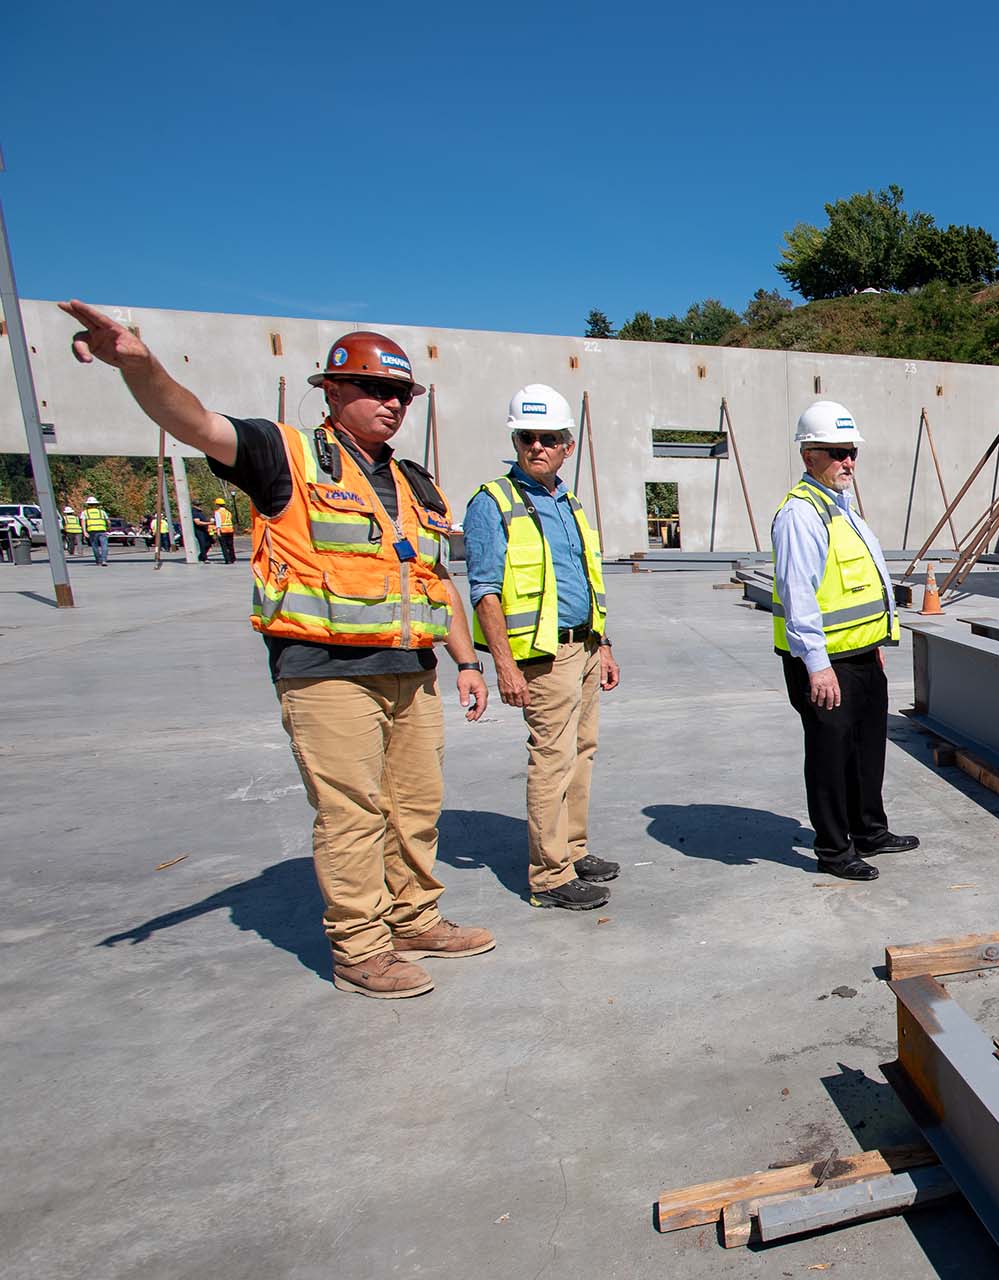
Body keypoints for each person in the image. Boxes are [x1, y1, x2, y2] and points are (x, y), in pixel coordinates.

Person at [61, 301, 495, 1001]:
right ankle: (361, 948)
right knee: (352, 812)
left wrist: (467, 661)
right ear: (332, 390)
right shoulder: (285, 456)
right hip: (324, 672)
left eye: (400, 394)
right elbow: (193, 422)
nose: (390, 404)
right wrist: (142, 368)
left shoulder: (414, 480)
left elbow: (433, 578)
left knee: (415, 807)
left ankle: (415, 920)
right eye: (374, 389)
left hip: (411, 671)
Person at [465, 385, 622, 911]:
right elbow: (484, 590)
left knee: (582, 753)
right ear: (516, 440)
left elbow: (586, 579)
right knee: (551, 761)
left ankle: (572, 850)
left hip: (583, 648)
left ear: (566, 446)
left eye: (548, 438)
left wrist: (604, 645)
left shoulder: (568, 503)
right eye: (527, 437)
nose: (537, 446)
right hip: (542, 656)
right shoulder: (494, 503)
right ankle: (549, 877)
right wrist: (504, 666)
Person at [770, 401, 918, 881]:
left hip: (861, 654)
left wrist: (876, 641)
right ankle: (834, 849)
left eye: (851, 451)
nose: (847, 461)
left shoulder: (842, 509)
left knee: (867, 747)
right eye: (836, 452)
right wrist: (816, 664)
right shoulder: (802, 514)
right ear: (808, 455)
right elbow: (799, 597)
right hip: (826, 661)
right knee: (831, 755)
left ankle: (869, 830)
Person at [82, 497, 109, 565]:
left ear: (88, 504)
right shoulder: (102, 512)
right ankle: (104, 560)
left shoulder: (85, 512)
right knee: (104, 546)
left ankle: (98, 560)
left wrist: (84, 532)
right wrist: (109, 528)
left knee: (95, 546)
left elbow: (83, 522)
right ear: (96, 504)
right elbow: (108, 521)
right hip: (102, 530)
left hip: (92, 531)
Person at [210, 497, 236, 563]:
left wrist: (218, 531)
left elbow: (218, 522)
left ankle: (227, 559)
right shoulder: (228, 512)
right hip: (230, 529)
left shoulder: (218, 512)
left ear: (217, 504)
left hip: (223, 530)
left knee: (224, 546)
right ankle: (232, 558)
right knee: (230, 545)